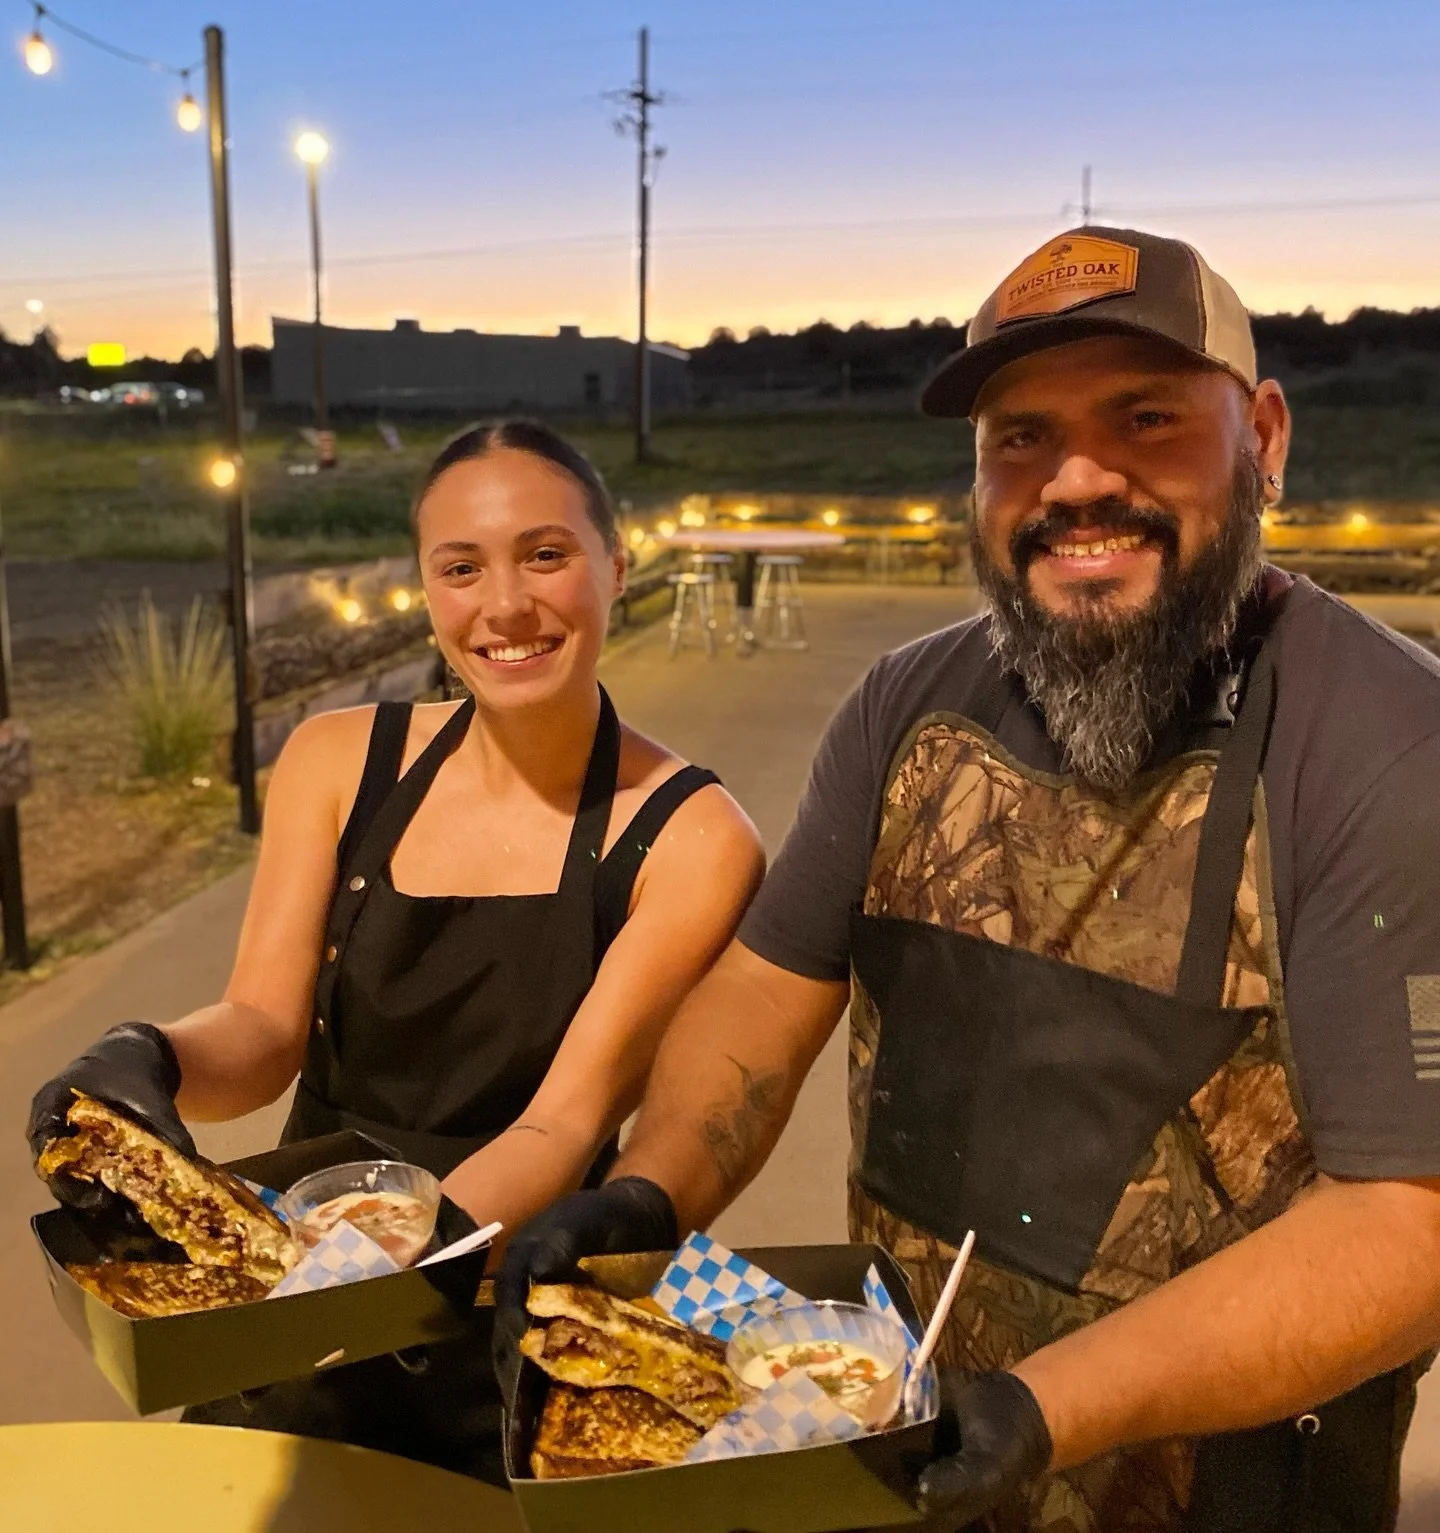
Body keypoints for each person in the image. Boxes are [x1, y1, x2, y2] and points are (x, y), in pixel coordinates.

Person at [499, 230, 1440, 1531]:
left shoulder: (1386, 750)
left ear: (1266, 436)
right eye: (1020, 437)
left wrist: (1045, 1407)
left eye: (1148, 416)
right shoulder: (907, 705)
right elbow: (768, 995)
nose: (1079, 479)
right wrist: (647, 1193)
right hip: (904, 1449)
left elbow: (1407, 1222)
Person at [28, 419, 764, 1483]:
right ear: (427, 587)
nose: (504, 606)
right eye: (460, 568)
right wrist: (145, 1055)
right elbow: (265, 1031)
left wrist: (392, 1263)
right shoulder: (339, 760)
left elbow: (565, 1122)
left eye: (546, 555)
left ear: (618, 564)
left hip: (508, 1299)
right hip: (298, 1284)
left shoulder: (692, 835)